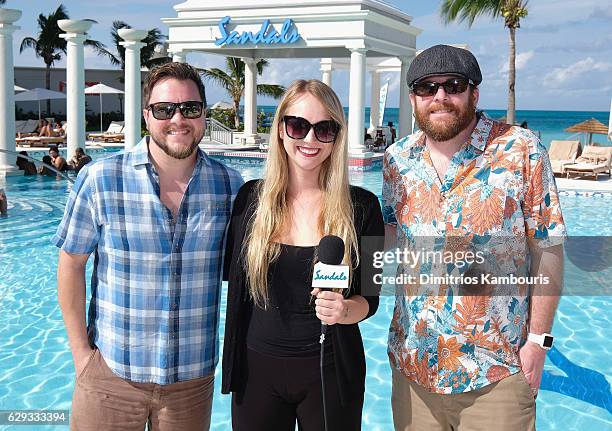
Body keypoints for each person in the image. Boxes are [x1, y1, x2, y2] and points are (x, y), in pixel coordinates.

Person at [383, 45, 565, 431]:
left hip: (495, 374)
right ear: (413, 98)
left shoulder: (521, 151)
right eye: (426, 88)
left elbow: (548, 250)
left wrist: (538, 341)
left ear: (474, 93)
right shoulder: (396, 159)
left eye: (453, 85)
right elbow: (390, 241)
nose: (440, 97)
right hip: (413, 370)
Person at [53, 62, 243, 431]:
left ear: (204, 114)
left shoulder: (230, 186)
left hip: (191, 381)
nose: (178, 119)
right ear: (146, 115)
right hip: (110, 376)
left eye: (190, 108)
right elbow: (71, 263)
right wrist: (81, 356)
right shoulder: (100, 179)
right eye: (164, 109)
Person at [222, 79, 384, 431]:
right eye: (298, 125)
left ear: (337, 136)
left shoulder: (364, 207)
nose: (309, 140)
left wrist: (343, 311)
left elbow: (371, 300)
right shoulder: (250, 201)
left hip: (331, 371)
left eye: (324, 129)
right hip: (256, 371)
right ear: (280, 129)